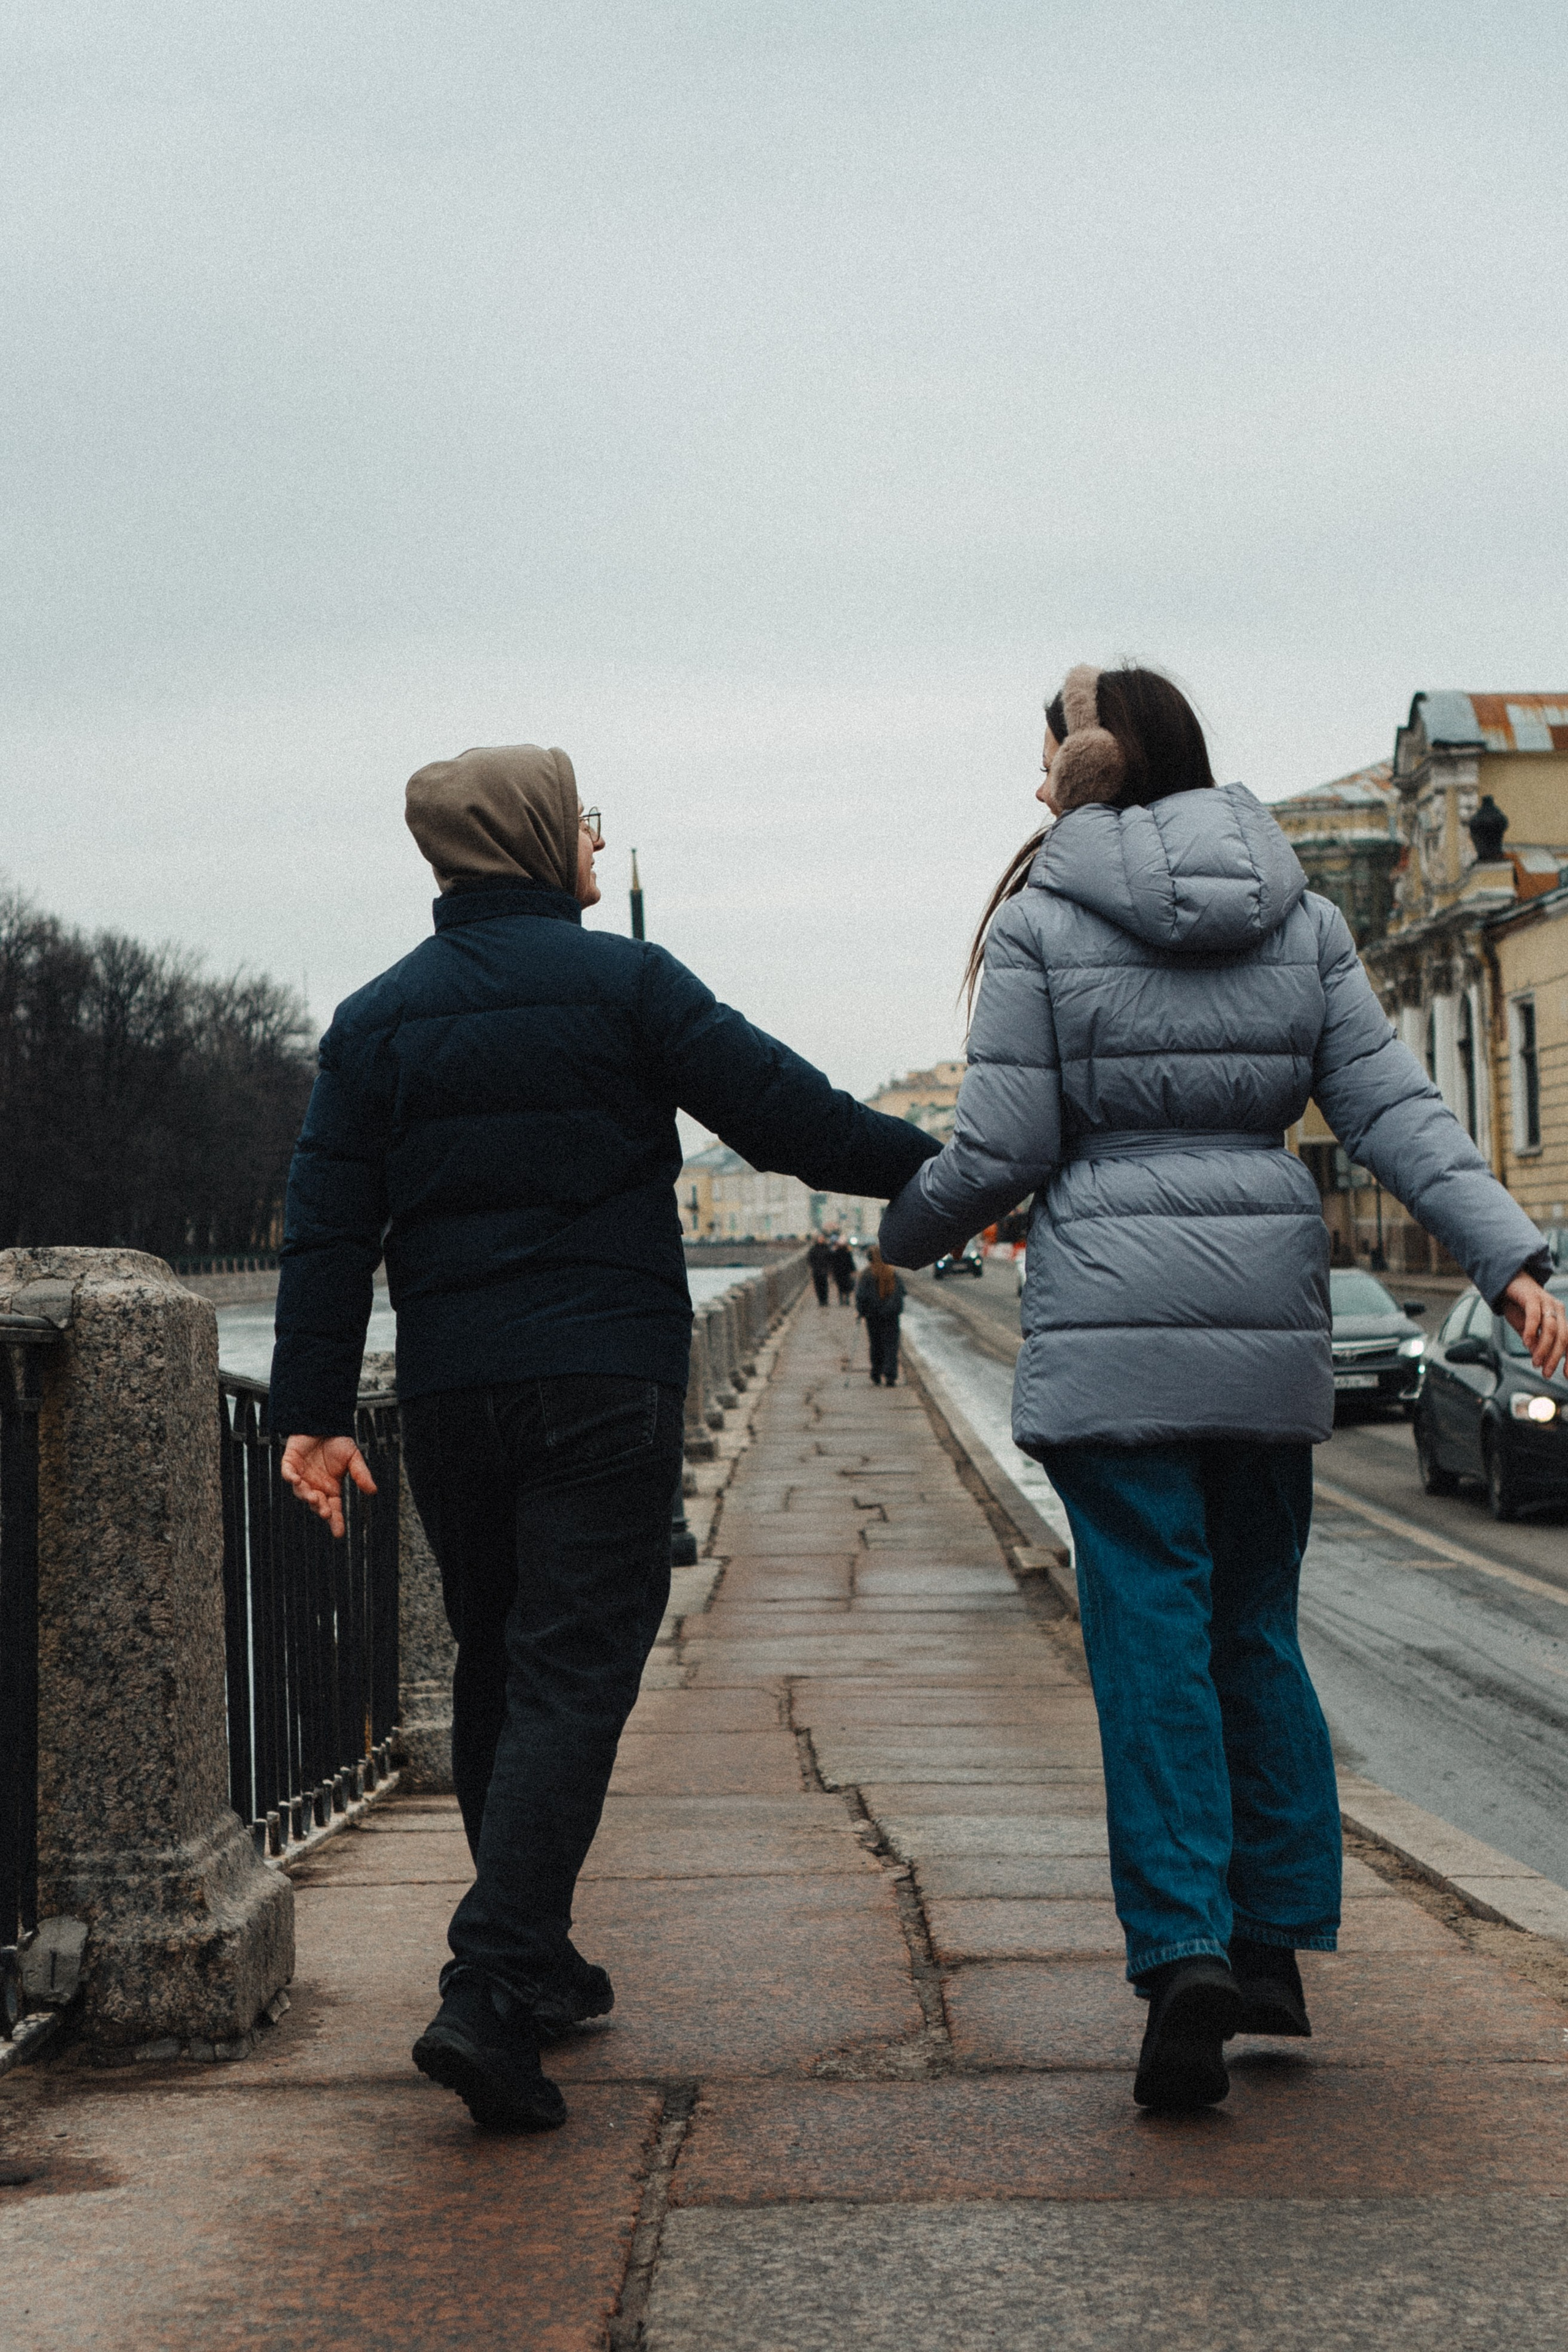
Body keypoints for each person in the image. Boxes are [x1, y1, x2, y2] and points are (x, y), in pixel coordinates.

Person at [880, 664, 1566, 2116]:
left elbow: (998, 1148)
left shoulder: (1042, 921)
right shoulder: (1298, 914)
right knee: (1252, 1628)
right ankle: (1269, 1947)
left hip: (1115, 1335)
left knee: (1147, 1636)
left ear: (1082, 763)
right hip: (1262, 1325)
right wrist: (1503, 1254)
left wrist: (899, 1231)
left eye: (1042, 755)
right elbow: (1389, 1107)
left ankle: (1181, 1946)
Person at [270, 744, 938, 2133]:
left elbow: (328, 1233)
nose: (593, 839)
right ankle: (491, 1979)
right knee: (577, 1664)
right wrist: (965, 1169)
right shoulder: (629, 983)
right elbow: (795, 1124)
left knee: (502, 1659)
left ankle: (537, 1956)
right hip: (601, 1377)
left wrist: (311, 1415)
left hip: (449, 1390)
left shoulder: (374, 1018)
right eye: (580, 819)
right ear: (531, 840)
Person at [855, 1244, 906, 1384]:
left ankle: (876, 1373)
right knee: (891, 1346)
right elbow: (900, 1294)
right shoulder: (892, 1274)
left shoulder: (866, 1275)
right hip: (891, 1317)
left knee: (876, 1345)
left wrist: (861, 1312)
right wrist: (891, 1309)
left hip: (873, 1317)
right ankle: (890, 1376)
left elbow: (861, 1296)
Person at [807, 1235, 834, 1306]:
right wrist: (813, 1267)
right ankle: (821, 1300)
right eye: (820, 1239)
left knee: (825, 1285)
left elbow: (830, 1259)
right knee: (818, 1286)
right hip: (816, 1270)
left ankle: (825, 1300)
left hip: (824, 1270)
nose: (821, 1240)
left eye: (822, 1239)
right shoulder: (814, 1249)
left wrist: (830, 1269)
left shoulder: (827, 1248)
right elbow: (810, 1259)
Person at [831, 1235, 857, 1305]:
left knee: (843, 1285)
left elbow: (850, 1262)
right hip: (842, 1272)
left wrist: (853, 1269)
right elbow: (834, 1263)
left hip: (842, 1272)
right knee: (843, 1286)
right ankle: (844, 1299)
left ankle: (844, 1299)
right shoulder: (840, 1253)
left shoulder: (844, 1252)